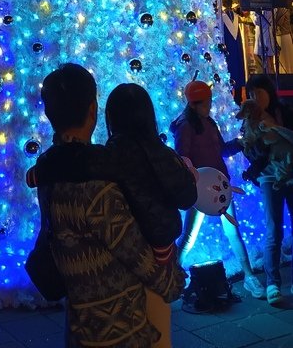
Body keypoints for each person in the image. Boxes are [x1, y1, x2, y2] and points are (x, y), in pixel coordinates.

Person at [27, 63, 185, 348]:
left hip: (80, 324)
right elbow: (136, 255)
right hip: (119, 330)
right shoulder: (96, 187)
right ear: (92, 110)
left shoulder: (48, 168)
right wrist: (173, 281)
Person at [105, 83, 197, 348]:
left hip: (123, 254)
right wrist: (188, 177)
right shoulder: (163, 154)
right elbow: (186, 197)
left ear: (112, 117)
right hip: (159, 253)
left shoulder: (108, 155)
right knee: (158, 329)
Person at [170, 79, 265, 299]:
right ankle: (172, 273)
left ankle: (249, 276)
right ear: (194, 104)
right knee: (189, 234)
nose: (210, 106)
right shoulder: (185, 126)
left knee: (233, 230)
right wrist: (196, 181)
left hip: (220, 184)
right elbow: (182, 158)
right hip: (201, 190)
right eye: (207, 102)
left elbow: (220, 150)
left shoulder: (209, 123)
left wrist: (240, 143)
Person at [244, 73, 293, 305]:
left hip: (291, 175)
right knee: (274, 229)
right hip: (268, 178)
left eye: (258, 92)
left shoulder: (284, 111)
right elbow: (251, 153)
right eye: (251, 94)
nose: (255, 97)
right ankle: (272, 282)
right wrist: (259, 140)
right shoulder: (250, 121)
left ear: (268, 92)